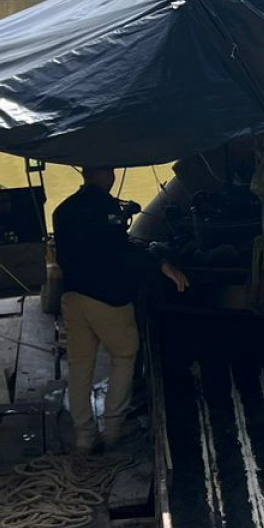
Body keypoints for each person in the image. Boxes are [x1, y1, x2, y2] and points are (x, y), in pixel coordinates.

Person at [52, 166, 189, 453]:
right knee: (124, 354)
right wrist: (160, 264)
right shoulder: (108, 210)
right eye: (110, 171)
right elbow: (121, 251)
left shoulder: (62, 210)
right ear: (105, 175)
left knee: (80, 365)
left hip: (73, 296)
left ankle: (84, 436)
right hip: (107, 298)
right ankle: (112, 429)